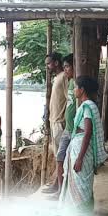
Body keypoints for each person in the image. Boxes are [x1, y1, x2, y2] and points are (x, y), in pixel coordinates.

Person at [59, 75, 107, 210]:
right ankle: (83, 214)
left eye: (75, 87)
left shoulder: (87, 107)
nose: (74, 90)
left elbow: (87, 133)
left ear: (82, 90)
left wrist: (79, 158)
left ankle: (82, 214)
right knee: (82, 183)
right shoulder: (89, 106)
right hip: (79, 146)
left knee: (81, 183)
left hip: (82, 150)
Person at [40, 53, 69, 194]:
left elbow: (69, 99)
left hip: (59, 122)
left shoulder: (63, 77)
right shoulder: (57, 78)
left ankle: (60, 187)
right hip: (53, 121)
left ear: (56, 63)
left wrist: (65, 119)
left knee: (60, 157)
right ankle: (57, 184)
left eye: (48, 63)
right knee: (58, 156)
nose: (47, 67)